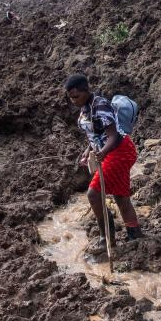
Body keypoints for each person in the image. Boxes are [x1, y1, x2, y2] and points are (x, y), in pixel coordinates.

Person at [64, 73, 143, 251]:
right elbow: (94, 136)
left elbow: (113, 136)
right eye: (71, 98)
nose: (74, 101)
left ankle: (106, 235)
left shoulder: (100, 106)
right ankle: (134, 234)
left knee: (93, 194)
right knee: (120, 196)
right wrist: (88, 152)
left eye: (76, 96)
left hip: (119, 151)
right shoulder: (85, 107)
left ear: (86, 90)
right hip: (112, 151)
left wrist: (102, 152)